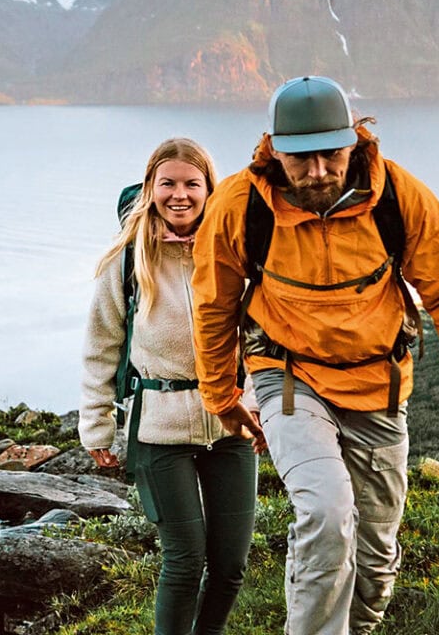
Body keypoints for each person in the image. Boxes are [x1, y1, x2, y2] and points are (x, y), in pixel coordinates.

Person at [190, 76, 439, 634]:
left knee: (376, 556)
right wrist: (223, 394)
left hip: (378, 388)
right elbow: (213, 304)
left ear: (354, 141)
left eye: (332, 155)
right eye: (301, 159)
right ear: (275, 150)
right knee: (326, 514)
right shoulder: (240, 205)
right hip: (286, 375)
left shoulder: (399, 197)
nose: (318, 173)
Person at [80, 137, 262, 635]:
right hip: (158, 432)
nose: (179, 195)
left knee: (229, 567)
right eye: (168, 184)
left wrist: (264, 401)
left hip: (231, 426)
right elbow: (100, 346)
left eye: (191, 184)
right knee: (184, 563)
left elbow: (263, 334)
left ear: (209, 190)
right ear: (150, 188)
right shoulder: (126, 262)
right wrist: (97, 428)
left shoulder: (234, 252)